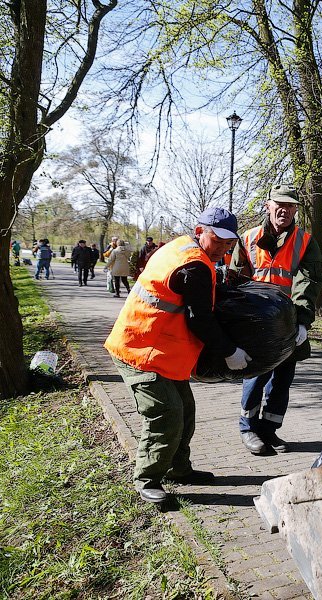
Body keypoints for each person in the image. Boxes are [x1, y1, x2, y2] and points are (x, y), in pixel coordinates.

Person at [104, 208, 251, 504]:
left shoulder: (180, 247)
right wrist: (230, 351)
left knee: (185, 409)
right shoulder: (193, 266)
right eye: (218, 240)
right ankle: (147, 478)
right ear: (200, 231)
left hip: (161, 350)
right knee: (167, 414)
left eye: (229, 243)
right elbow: (201, 320)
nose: (223, 247)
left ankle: (178, 469)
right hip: (139, 349)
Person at [230, 184, 322, 455]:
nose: (285, 209)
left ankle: (269, 431)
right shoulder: (248, 239)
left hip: (288, 323)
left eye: (291, 205)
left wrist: (303, 322)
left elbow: (308, 283)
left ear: (296, 209)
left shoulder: (305, 242)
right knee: (256, 377)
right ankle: (248, 428)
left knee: (282, 379)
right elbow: (237, 282)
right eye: (279, 204)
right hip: (255, 325)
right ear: (268, 205)